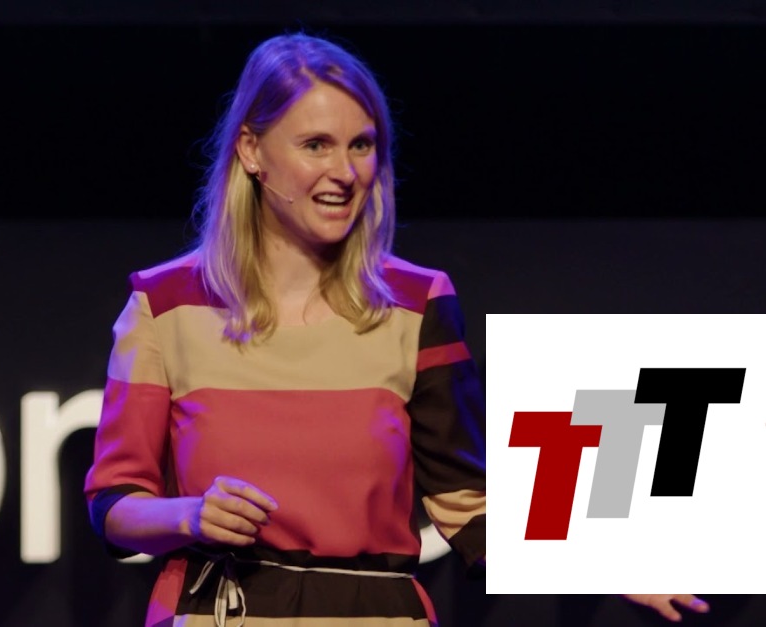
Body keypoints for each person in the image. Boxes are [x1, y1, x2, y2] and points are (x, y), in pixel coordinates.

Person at [83, 31, 708, 626]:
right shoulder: (165, 304)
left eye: (361, 145)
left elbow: (467, 505)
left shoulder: (416, 303)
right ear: (251, 151)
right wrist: (189, 516)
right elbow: (114, 503)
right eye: (316, 145)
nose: (345, 171)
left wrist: (600, 562)